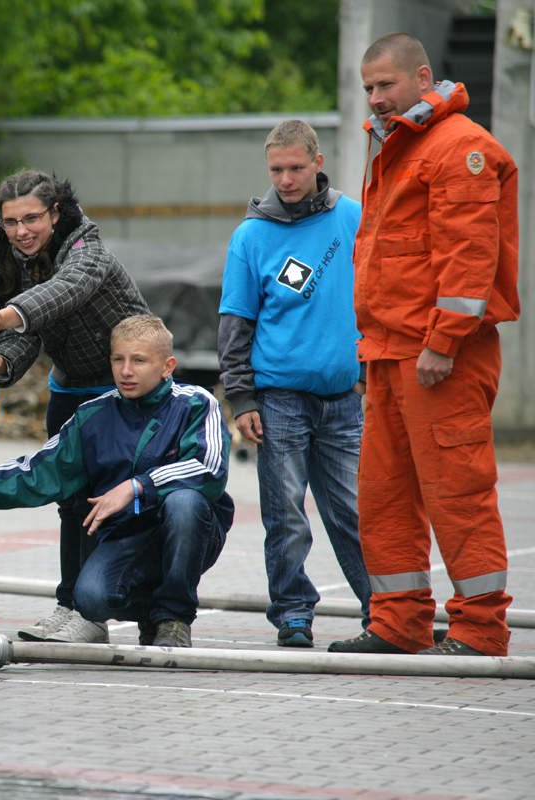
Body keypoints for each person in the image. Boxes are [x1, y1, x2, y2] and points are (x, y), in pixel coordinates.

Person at [329, 33, 520, 657]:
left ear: (423, 77)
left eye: (386, 85)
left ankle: (480, 629)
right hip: (388, 352)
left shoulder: (459, 147)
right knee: (383, 492)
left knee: (457, 493)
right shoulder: (399, 145)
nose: (376, 99)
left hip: (440, 358)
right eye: (368, 89)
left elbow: (470, 260)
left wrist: (443, 342)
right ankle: (398, 621)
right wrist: (372, 350)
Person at [0, 315, 232, 647]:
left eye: (139, 361)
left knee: (185, 502)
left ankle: (174, 618)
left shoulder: (197, 403)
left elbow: (208, 468)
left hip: (190, 529)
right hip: (127, 537)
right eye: (118, 359)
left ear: (167, 366)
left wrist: (137, 486)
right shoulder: (93, 415)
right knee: (89, 599)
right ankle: (152, 614)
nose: (126, 371)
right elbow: (39, 470)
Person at [0, 169, 151, 644]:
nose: (21, 231)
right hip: (70, 390)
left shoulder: (85, 248)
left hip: (123, 393)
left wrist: (12, 312)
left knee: (116, 506)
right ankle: (71, 604)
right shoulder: (18, 261)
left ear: (55, 213)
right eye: (11, 222)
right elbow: (25, 336)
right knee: (69, 504)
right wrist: (0, 364)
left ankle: (116, 613)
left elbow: (67, 289)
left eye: (31, 218)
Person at [217, 120, 371, 648]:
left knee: (355, 512)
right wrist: (241, 398)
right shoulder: (251, 236)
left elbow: (376, 293)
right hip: (278, 399)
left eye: (296, 168)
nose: (285, 179)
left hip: (344, 399)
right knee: (286, 517)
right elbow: (235, 323)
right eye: (276, 169)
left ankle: (385, 612)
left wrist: (367, 373)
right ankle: (292, 613)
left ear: (318, 162)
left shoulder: (352, 217)